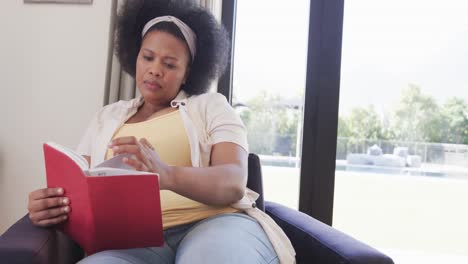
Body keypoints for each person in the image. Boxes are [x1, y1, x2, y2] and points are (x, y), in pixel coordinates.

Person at [27, 0, 295, 263]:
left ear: (187, 72)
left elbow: (234, 182)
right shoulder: (106, 117)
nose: (155, 70)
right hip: (132, 243)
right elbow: (80, 188)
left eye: (169, 64)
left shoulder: (210, 106)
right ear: (136, 57)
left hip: (216, 223)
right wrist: (51, 206)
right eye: (148, 57)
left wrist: (165, 174)